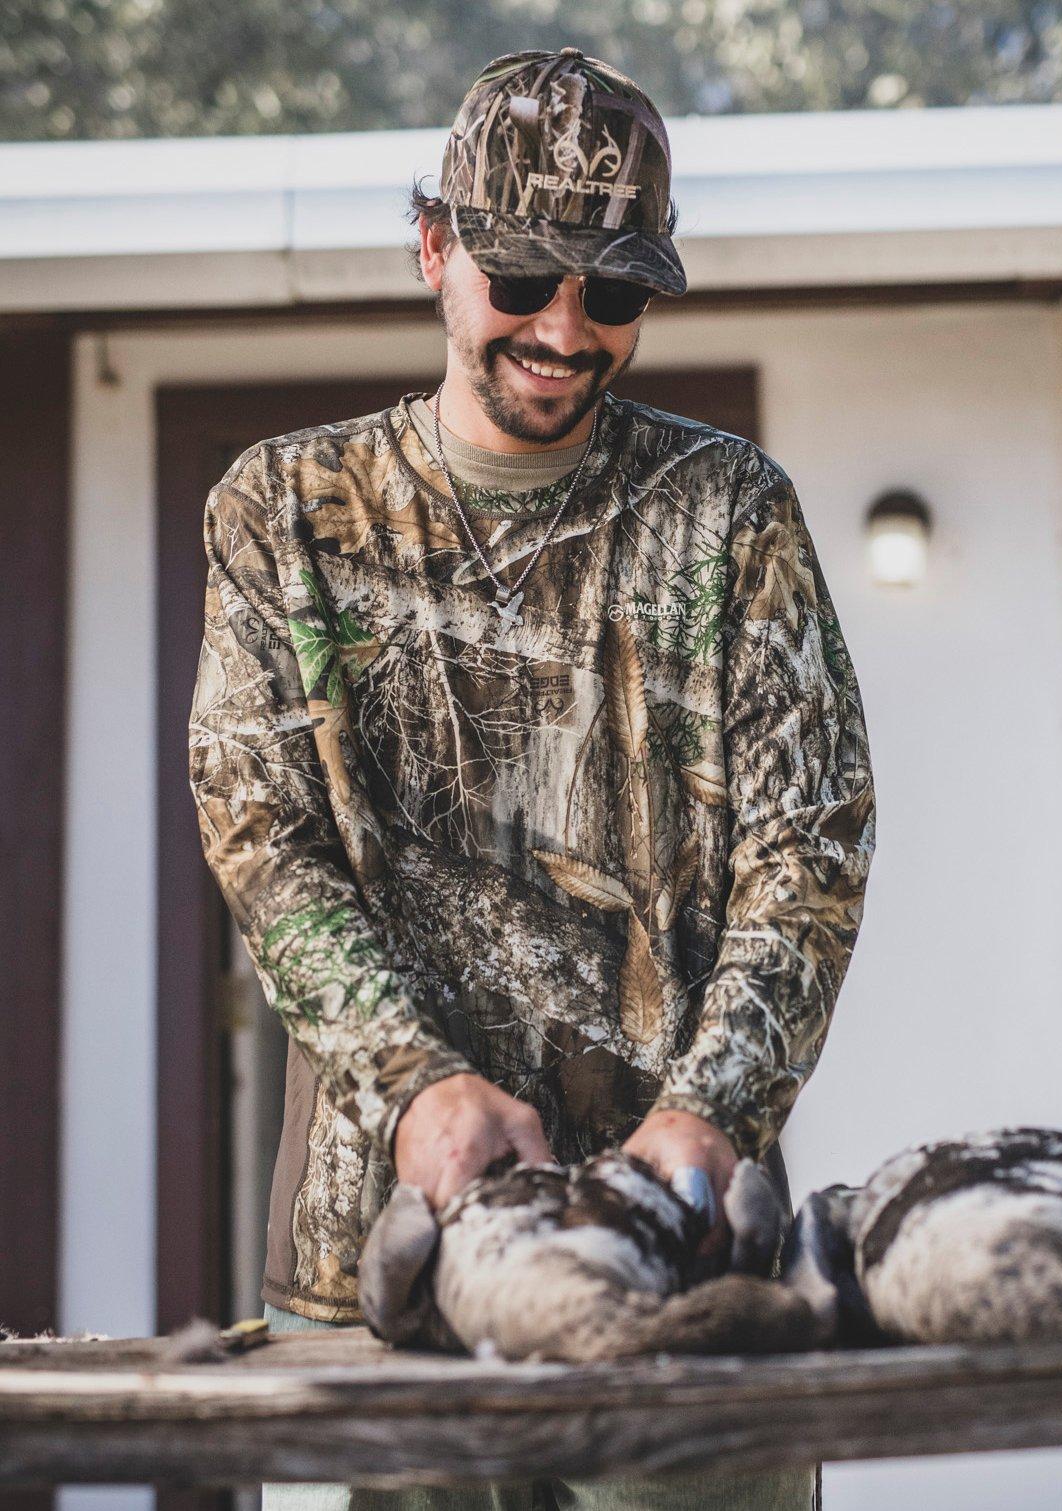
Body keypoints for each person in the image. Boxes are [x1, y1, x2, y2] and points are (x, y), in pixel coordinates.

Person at [188, 44, 876, 1511]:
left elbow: (808, 847)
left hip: (683, 1271)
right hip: (381, 1259)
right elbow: (262, 836)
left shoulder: (731, 514)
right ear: (434, 247)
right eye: (520, 278)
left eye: (614, 292)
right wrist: (415, 1083)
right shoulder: (284, 511)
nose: (564, 330)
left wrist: (706, 1116)